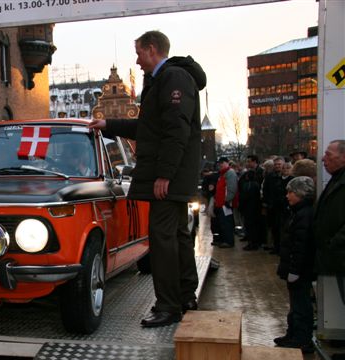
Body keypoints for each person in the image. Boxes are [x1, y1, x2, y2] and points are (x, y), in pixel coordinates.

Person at [89, 30, 206, 328]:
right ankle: (185, 296)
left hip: (169, 177)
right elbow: (149, 127)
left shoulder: (172, 78)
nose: (137, 61)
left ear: (152, 49)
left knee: (162, 240)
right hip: (175, 175)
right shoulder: (165, 79)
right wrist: (108, 124)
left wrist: (164, 174)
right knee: (177, 237)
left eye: (139, 53)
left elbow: (176, 130)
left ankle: (168, 306)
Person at [275, 176, 316, 354]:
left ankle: (301, 339)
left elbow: (301, 246)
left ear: (300, 193)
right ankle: (293, 334)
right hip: (296, 267)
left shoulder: (304, 214)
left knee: (301, 304)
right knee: (295, 303)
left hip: (300, 269)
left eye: (290, 192)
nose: (287, 195)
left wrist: (295, 270)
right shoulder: (298, 212)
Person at [314, 139, 345, 289]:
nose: (323, 158)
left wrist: (333, 244)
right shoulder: (337, 179)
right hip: (337, 258)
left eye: (328, 154)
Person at [238, 155, 264, 251]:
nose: (248, 163)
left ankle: (254, 242)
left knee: (253, 225)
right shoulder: (247, 173)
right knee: (249, 224)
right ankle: (250, 239)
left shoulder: (260, 173)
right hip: (250, 205)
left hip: (253, 205)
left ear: (255, 162)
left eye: (249, 161)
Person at [213, 157, 238, 248]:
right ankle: (224, 239)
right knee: (222, 222)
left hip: (225, 203)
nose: (220, 165)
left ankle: (228, 241)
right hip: (221, 203)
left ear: (227, 163)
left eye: (222, 163)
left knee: (227, 222)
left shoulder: (230, 173)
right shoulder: (223, 174)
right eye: (219, 163)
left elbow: (232, 188)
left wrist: (228, 200)